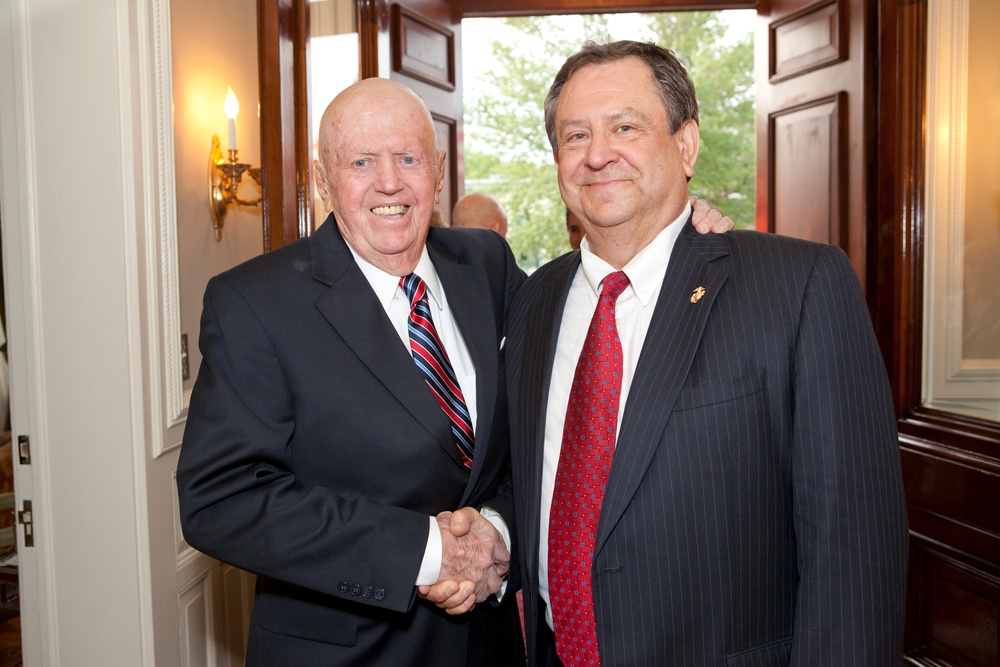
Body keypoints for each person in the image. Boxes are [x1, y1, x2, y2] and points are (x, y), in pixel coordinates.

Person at [501, 41, 908, 666]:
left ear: (685, 144)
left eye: (625, 127)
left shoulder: (797, 286)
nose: (598, 154)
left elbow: (854, 553)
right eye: (575, 134)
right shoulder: (535, 302)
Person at [176, 77, 526, 666]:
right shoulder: (254, 303)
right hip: (346, 651)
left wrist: (497, 527)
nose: (389, 182)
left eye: (408, 158)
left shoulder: (485, 264)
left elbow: (542, 413)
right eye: (362, 161)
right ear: (322, 180)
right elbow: (221, 499)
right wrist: (428, 550)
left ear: (437, 170)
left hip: (488, 644)